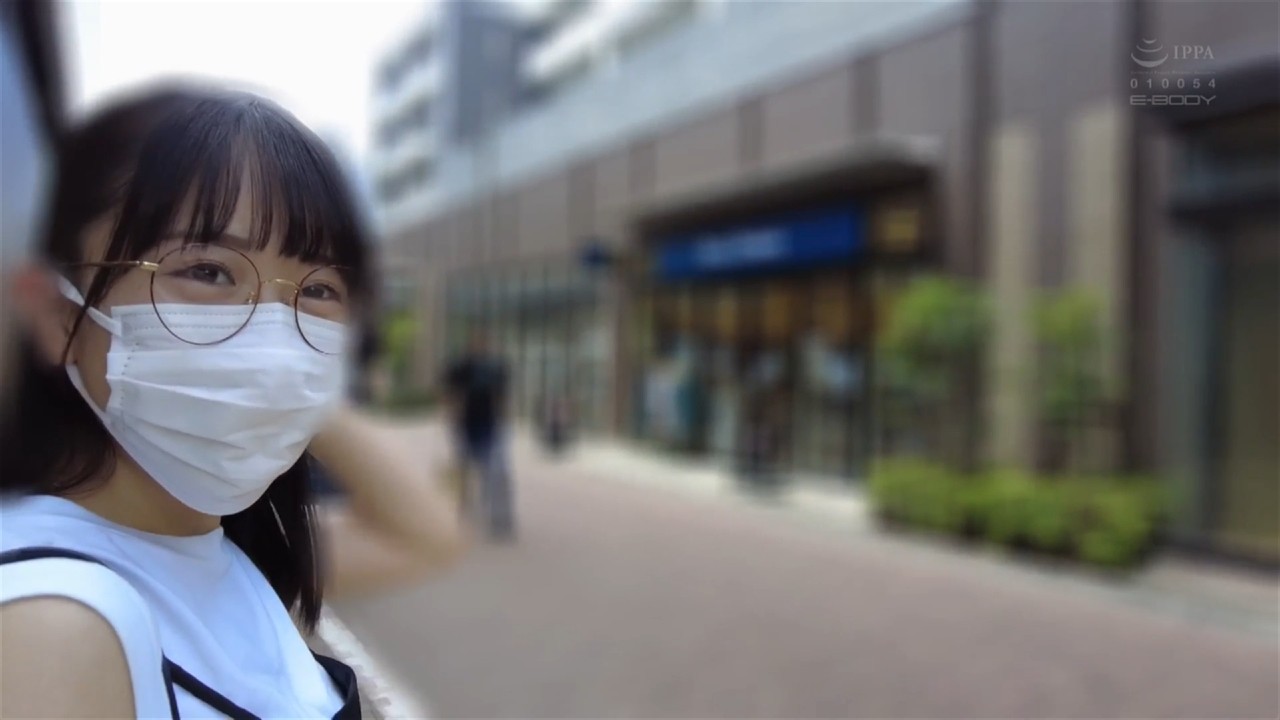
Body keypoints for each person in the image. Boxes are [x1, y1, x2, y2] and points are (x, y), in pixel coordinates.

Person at [0, 84, 465, 718]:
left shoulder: (220, 546)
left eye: (319, 289)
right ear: (59, 316)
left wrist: (296, 381)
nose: (273, 342)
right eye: (208, 271)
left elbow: (425, 533)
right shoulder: (50, 624)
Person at [444, 329, 514, 541]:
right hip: (466, 425)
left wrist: (504, 421)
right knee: (463, 471)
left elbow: (502, 396)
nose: (481, 347)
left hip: (490, 425)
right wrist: (451, 417)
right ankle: (459, 513)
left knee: (496, 472)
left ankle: (499, 517)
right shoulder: (461, 366)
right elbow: (451, 393)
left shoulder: (496, 368)